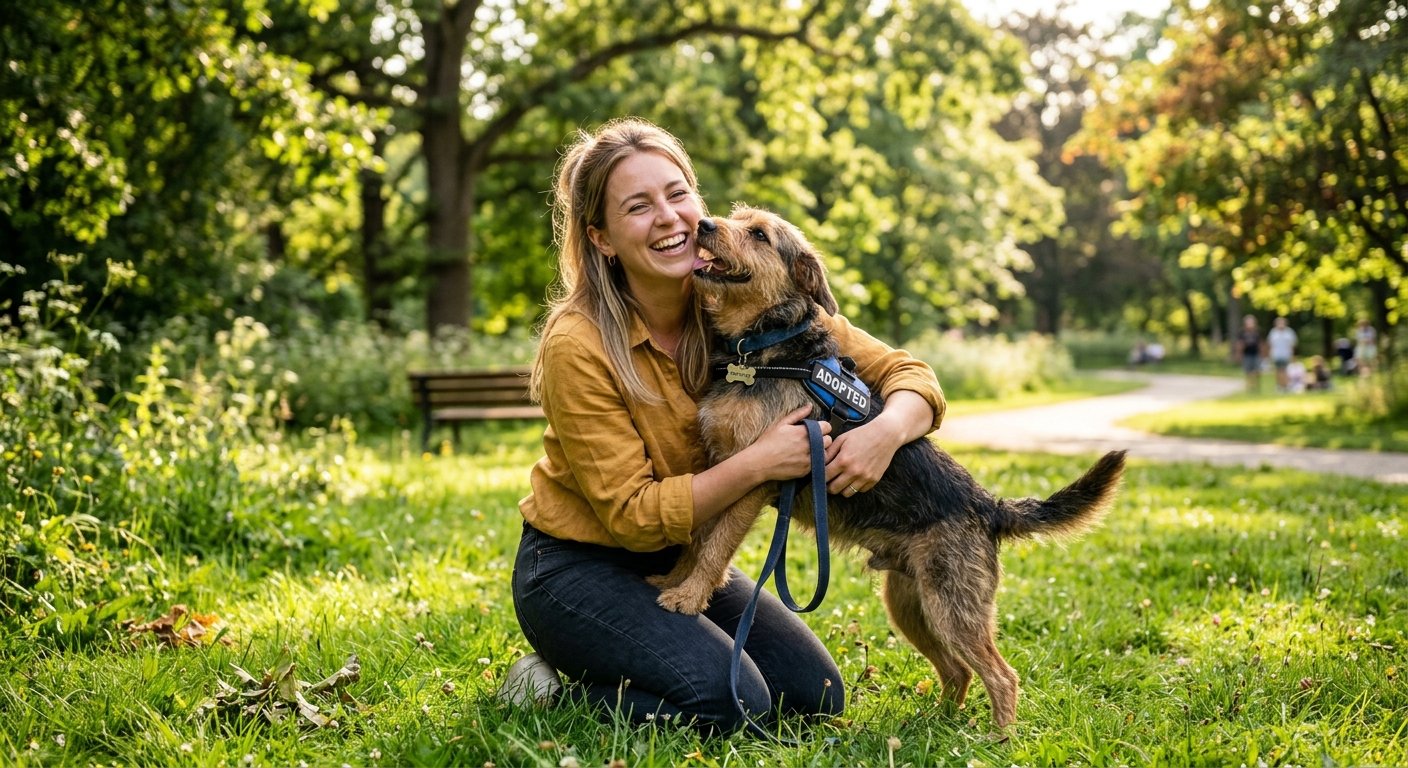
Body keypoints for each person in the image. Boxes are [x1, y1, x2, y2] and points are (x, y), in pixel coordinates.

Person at [502, 118, 945, 734]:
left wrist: (886, 430)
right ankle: (547, 689)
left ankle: (644, 653)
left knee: (813, 695)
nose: (670, 218)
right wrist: (761, 463)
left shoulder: (739, 296)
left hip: (685, 554)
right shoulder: (578, 344)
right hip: (578, 567)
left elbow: (907, 373)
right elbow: (631, 516)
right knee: (728, 703)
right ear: (601, 238)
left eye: (677, 194)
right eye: (638, 206)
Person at [1266, 316, 1298, 392]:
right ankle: (1279, 386)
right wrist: (1269, 356)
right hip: (1276, 355)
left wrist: (1293, 355)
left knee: (1285, 370)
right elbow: (1270, 344)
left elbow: (1293, 345)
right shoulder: (1273, 332)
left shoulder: (1289, 332)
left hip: (1286, 355)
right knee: (1278, 371)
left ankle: (1286, 385)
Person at [1236, 314, 1264, 393]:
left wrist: (1263, 354)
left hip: (1256, 354)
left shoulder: (1258, 332)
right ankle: (1249, 387)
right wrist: (1239, 354)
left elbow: (1261, 344)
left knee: (1257, 371)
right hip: (1247, 354)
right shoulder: (1242, 332)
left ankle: (1256, 387)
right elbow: (1239, 344)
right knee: (1248, 372)